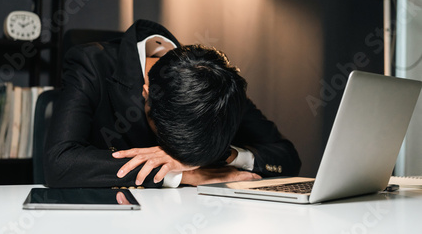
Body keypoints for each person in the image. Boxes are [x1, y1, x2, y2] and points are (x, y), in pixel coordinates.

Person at [43, 19, 301, 188]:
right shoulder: (90, 63)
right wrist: (178, 175)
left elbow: (287, 156)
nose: (180, 159)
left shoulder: (217, 86)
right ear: (146, 94)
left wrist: (228, 155)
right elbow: (60, 162)